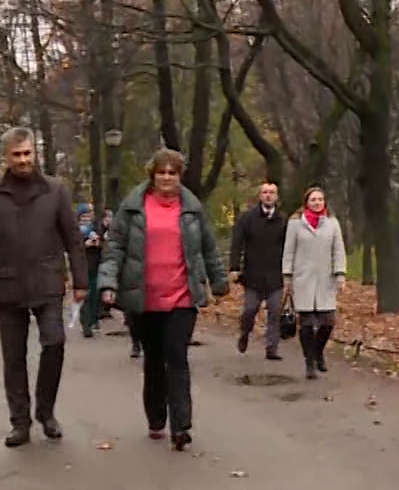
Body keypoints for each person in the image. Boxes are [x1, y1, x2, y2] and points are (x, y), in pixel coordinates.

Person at [97, 149, 229, 450]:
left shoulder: (192, 209)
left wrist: (218, 281)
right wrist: (107, 282)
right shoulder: (132, 209)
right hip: (143, 298)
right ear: (152, 175)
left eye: (173, 173)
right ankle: (156, 417)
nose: (167, 178)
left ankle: (181, 425)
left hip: (181, 296)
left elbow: (207, 248)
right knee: (154, 359)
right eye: (162, 172)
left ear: (179, 176)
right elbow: (115, 248)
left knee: (177, 357)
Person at [0, 127, 87, 448]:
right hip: (8, 286)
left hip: (48, 281)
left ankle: (46, 411)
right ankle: (19, 422)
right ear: (5, 158)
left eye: (27, 154)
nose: (23, 160)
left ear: (34, 154)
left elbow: (73, 239)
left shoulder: (55, 191)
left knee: (54, 343)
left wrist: (80, 280)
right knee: (14, 357)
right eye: (16, 155)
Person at [282, 186, 346, 379]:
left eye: (320, 199)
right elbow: (289, 251)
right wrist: (287, 277)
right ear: (306, 203)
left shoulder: (333, 224)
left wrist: (340, 274)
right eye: (313, 200)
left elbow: (338, 250)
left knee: (328, 322)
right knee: (307, 324)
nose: (317, 203)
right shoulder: (295, 224)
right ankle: (309, 362)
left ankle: (318, 352)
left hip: (326, 280)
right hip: (303, 279)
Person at [229, 181, 288, 361]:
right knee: (249, 310)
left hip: (275, 275)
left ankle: (272, 348)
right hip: (252, 274)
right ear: (260, 196)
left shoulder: (283, 221)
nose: (268, 195)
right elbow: (237, 244)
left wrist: (290, 271)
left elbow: (290, 247)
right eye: (265, 192)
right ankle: (244, 333)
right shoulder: (247, 219)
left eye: (272, 192)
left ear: (277, 197)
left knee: (274, 312)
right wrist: (234, 268)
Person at [76, 204, 106, 339]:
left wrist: (98, 242)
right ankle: (86, 324)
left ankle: (94, 319)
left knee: (95, 294)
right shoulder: (75, 231)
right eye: (84, 216)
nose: (86, 219)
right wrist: (85, 244)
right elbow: (72, 247)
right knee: (86, 295)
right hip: (82, 267)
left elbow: (104, 243)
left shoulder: (96, 228)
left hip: (96, 265)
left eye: (89, 216)